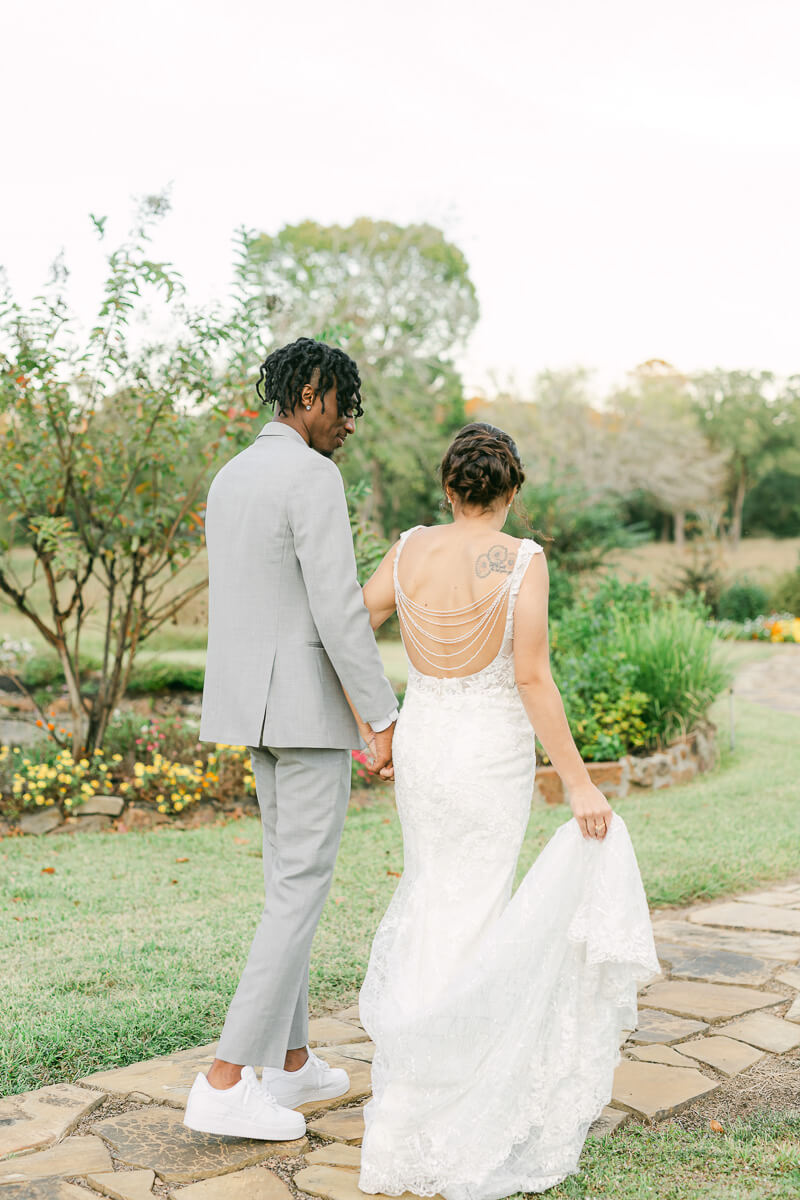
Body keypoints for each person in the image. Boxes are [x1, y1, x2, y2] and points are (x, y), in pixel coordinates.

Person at [351, 423, 659, 1198]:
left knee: (433, 894)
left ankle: (411, 1098)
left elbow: (353, 627)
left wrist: (375, 724)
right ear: (512, 491)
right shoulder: (522, 561)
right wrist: (580, 782)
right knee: (476, 902)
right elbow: (531, 680)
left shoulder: (409, 548)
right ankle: (459, 1091)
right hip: (487, 750)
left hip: (424, 740)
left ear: (449, 490)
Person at [184, 338, 398, 1142]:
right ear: (311, 394)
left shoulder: (230, 475)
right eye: (345, 405)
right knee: (300, 887)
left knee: (287, 884)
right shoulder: (312, 476)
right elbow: (338, 607)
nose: (350, 424)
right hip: (305, 714)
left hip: (250, 710)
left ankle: (296, 1058)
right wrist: (380, 715)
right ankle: (228, 1077)